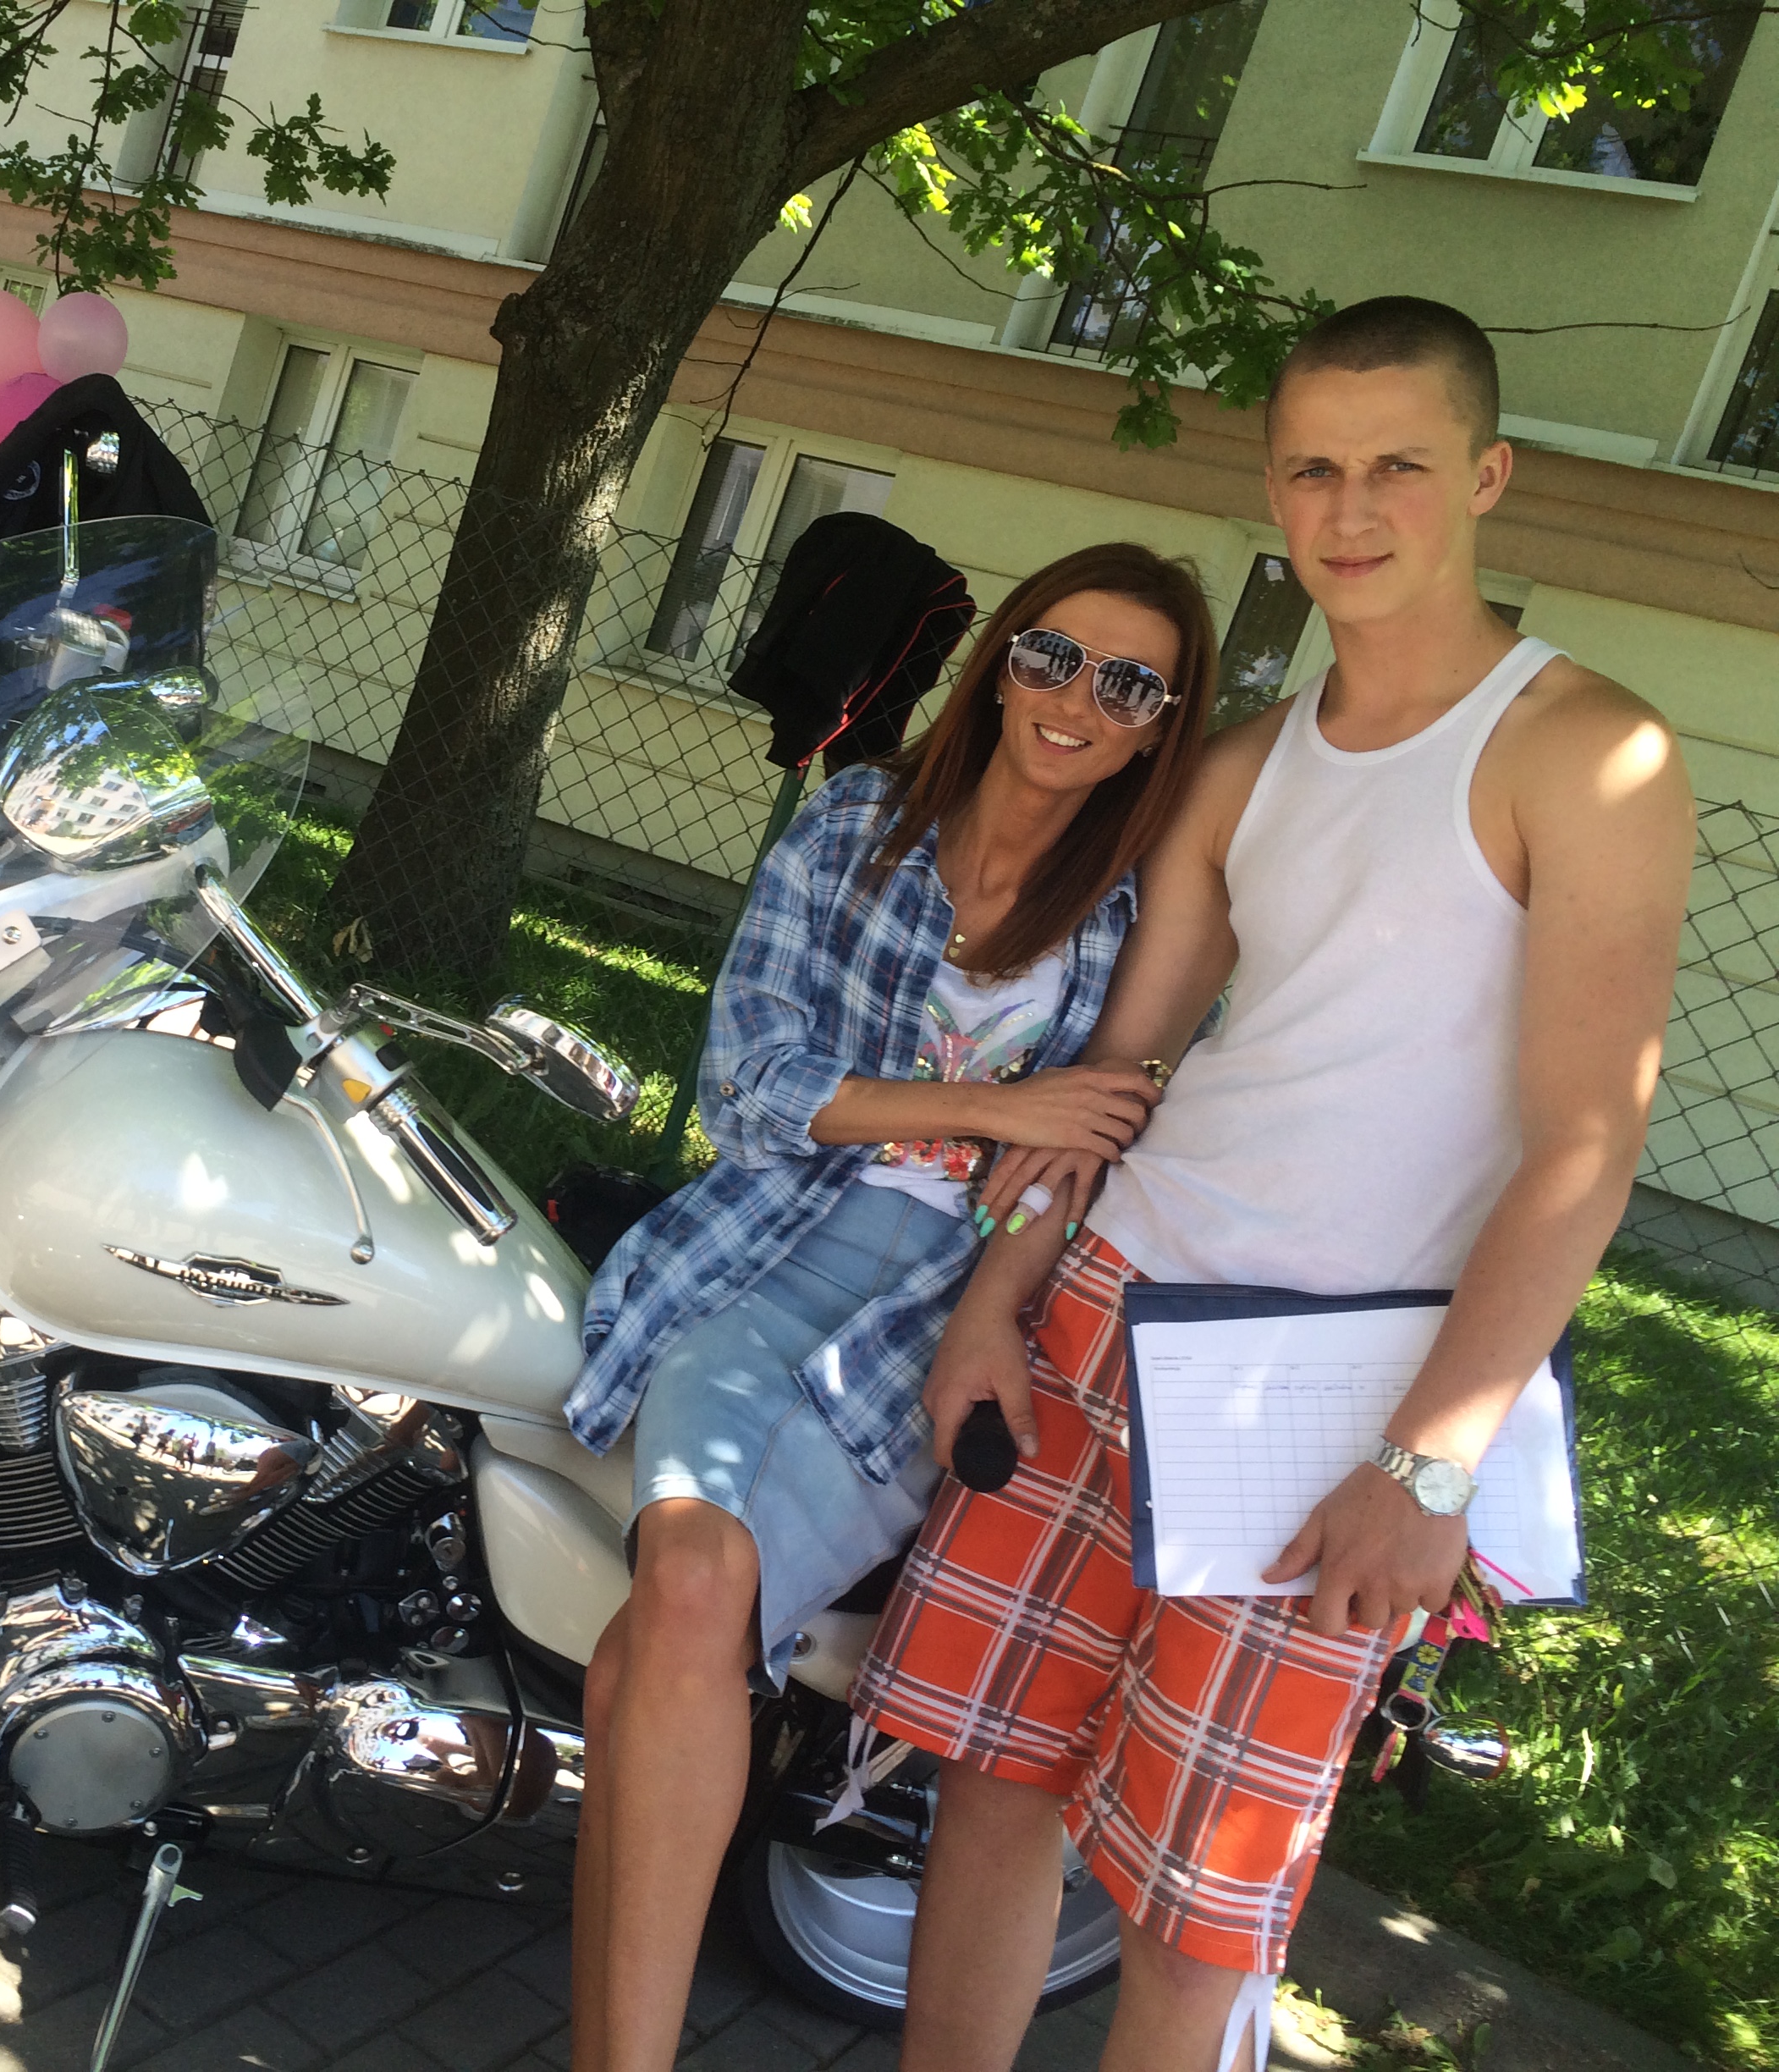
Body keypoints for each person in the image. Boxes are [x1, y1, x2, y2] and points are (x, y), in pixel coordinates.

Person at [852, 296, 1694, 2072]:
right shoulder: (1243, 763)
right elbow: (1113, 1085)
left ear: (1488, 475)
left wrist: (1429, 1463)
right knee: (995, 1780)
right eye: (1312, 468)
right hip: (1102, 1322)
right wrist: (995, 1307)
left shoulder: (1586, 752)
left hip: (1332, 1401)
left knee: (1196, 1902)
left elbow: (1587, 1144)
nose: (1351, 508)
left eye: (1399, 465)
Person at [564, 541, 1222, 2072]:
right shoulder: (858, 823)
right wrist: (997, 1106)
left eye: (1129, 685)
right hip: (759, 1256)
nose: (1077, 699)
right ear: (1001, 662)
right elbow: (747, 1084)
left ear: (1157, 731)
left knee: (663, 1635)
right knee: (683, 1588)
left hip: (940, 1313)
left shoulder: (1137, 920)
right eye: (1054, 655)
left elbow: (1081, 1165)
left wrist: (1007, 1184)